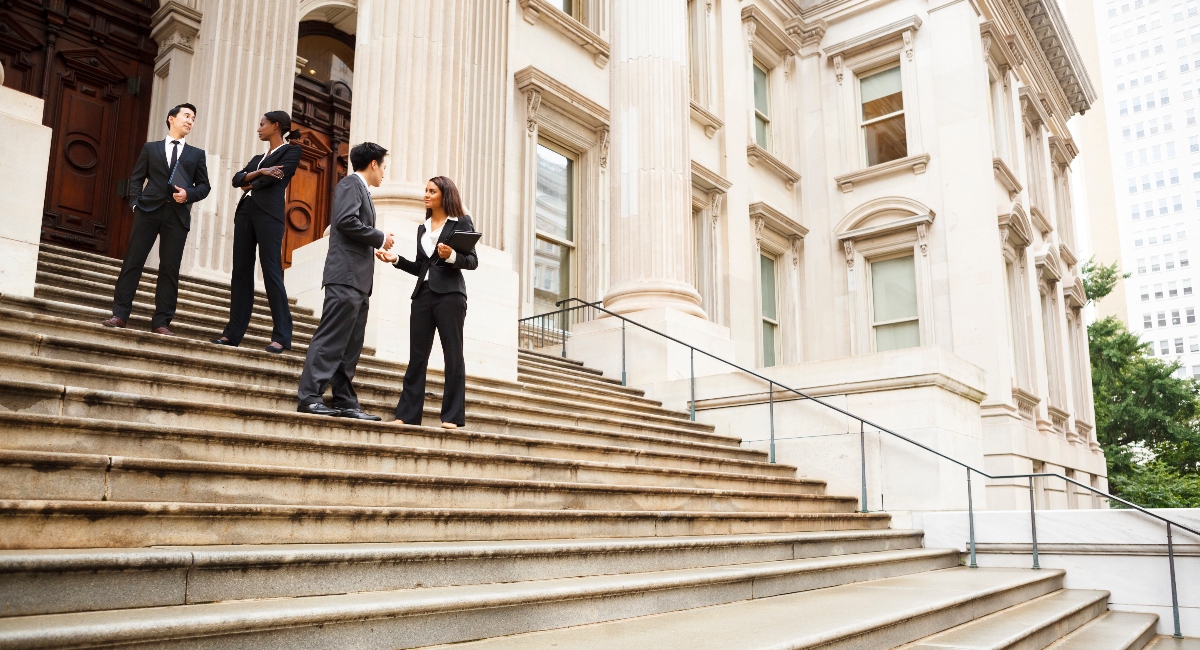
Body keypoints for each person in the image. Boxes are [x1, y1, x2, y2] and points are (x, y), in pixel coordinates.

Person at [295, 142, 395, 420]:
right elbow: (346, 221)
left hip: (359, 280)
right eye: (384, 166)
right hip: (345, 276)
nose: (385, 173)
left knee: (350, 344)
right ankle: (309, 397)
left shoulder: (362, 190)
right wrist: (379, 237)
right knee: (331, 338)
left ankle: (344, 400)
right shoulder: (351, 184)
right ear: (373, 164)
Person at [375, 176, 478, 429]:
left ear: (445, 195)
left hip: (451, 296)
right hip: (423, 294)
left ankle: (452, 417)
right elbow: (422, 267)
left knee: (453, 355)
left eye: (432, 191)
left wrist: (452, 255)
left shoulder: (461, 222)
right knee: (417, 356)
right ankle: (408, 415)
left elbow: (473, 261)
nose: (426, 195)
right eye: (426, 191)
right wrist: (396, 258)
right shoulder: (424, 227)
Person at [102, 103, 211, 335]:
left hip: (177, 217)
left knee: (169, 269)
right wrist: (135, 202)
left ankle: (161, 322)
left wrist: (188, 194)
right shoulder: (151, 148)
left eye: (194, 118)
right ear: (172, 118)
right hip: (148, 211)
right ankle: (120, 315)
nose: (190, 121)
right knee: (133, 262)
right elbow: (137, 177)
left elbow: (204, 186)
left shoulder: (196, 154)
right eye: (186, 116)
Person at [212, 111, 304, 353]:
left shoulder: (292, 151)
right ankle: (232, 334)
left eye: (262, 124)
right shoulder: (257, 158)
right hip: (245, 212)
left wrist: (252, 180)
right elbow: (236, 180)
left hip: (269, 215)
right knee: (240, 272)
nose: (258, 128)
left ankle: (282, 336)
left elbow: (278, 177)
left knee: (271, 271)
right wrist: (262, 172)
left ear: (276, 126)